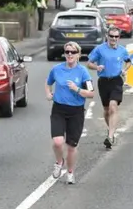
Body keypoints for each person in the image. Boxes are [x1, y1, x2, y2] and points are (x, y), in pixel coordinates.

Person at [45, 42, 95, 184]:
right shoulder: (57, 69)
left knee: (72, 147)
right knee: (57, 142)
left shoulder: (83, 72)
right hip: (59, 109)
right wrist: (48, 94)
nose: (70, 55)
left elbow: (91, 94)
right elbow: (48, 83)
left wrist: (77, 89)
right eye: (67, 52)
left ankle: (70, 172)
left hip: (76, 112)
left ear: (78, 54)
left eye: (73, 52)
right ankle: (59, 162)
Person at [87, 26, 131, 150]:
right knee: (106, 110)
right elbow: (89, 63)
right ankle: (110, 130)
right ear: (107, 36)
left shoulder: (122, 50)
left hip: (116, 81)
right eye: (111, 36)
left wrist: (124, 69)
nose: (113, 38)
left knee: (113, 106)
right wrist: (97, 68)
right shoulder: (99, 49)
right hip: (103, 82)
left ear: (119, 37)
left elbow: (128, 61)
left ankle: (110, 136)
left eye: (116, 36)